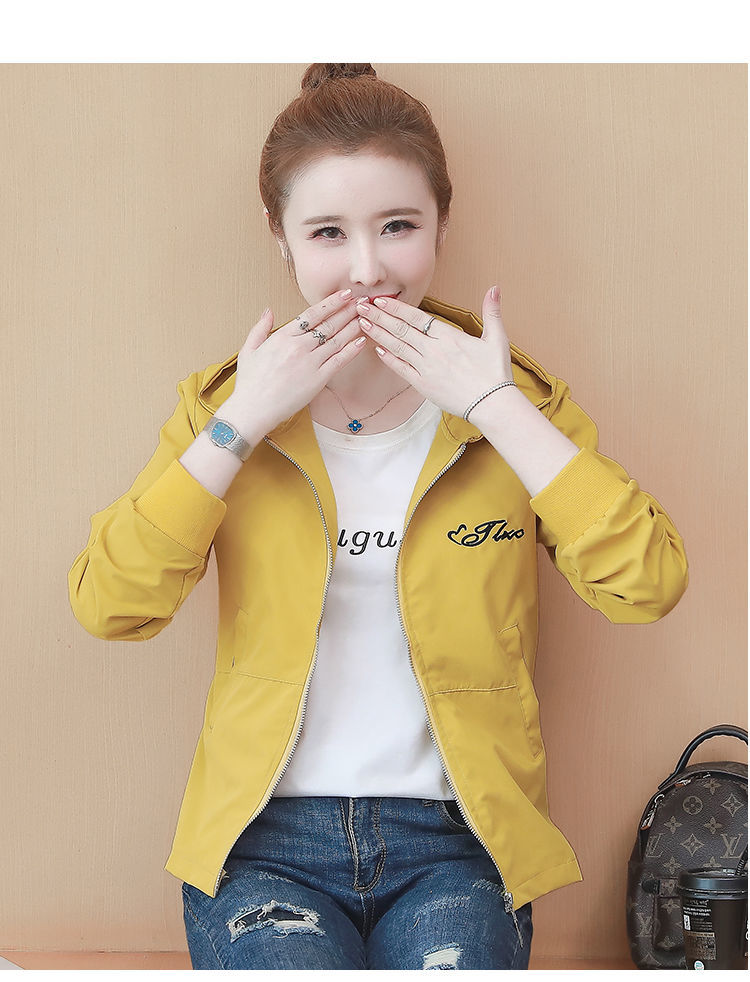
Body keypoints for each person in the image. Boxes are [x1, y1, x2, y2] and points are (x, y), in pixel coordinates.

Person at [68, 63, 689, 970]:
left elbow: (647, 584)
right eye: (328, 232)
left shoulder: (517, 404)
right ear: (279, 235)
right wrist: (241, 422)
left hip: (459, 843)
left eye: (399, 226)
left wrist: (497, 407)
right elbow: (111, 604)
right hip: (263, 842)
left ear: (442, 220)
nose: (367, 269)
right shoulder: (224, 407)